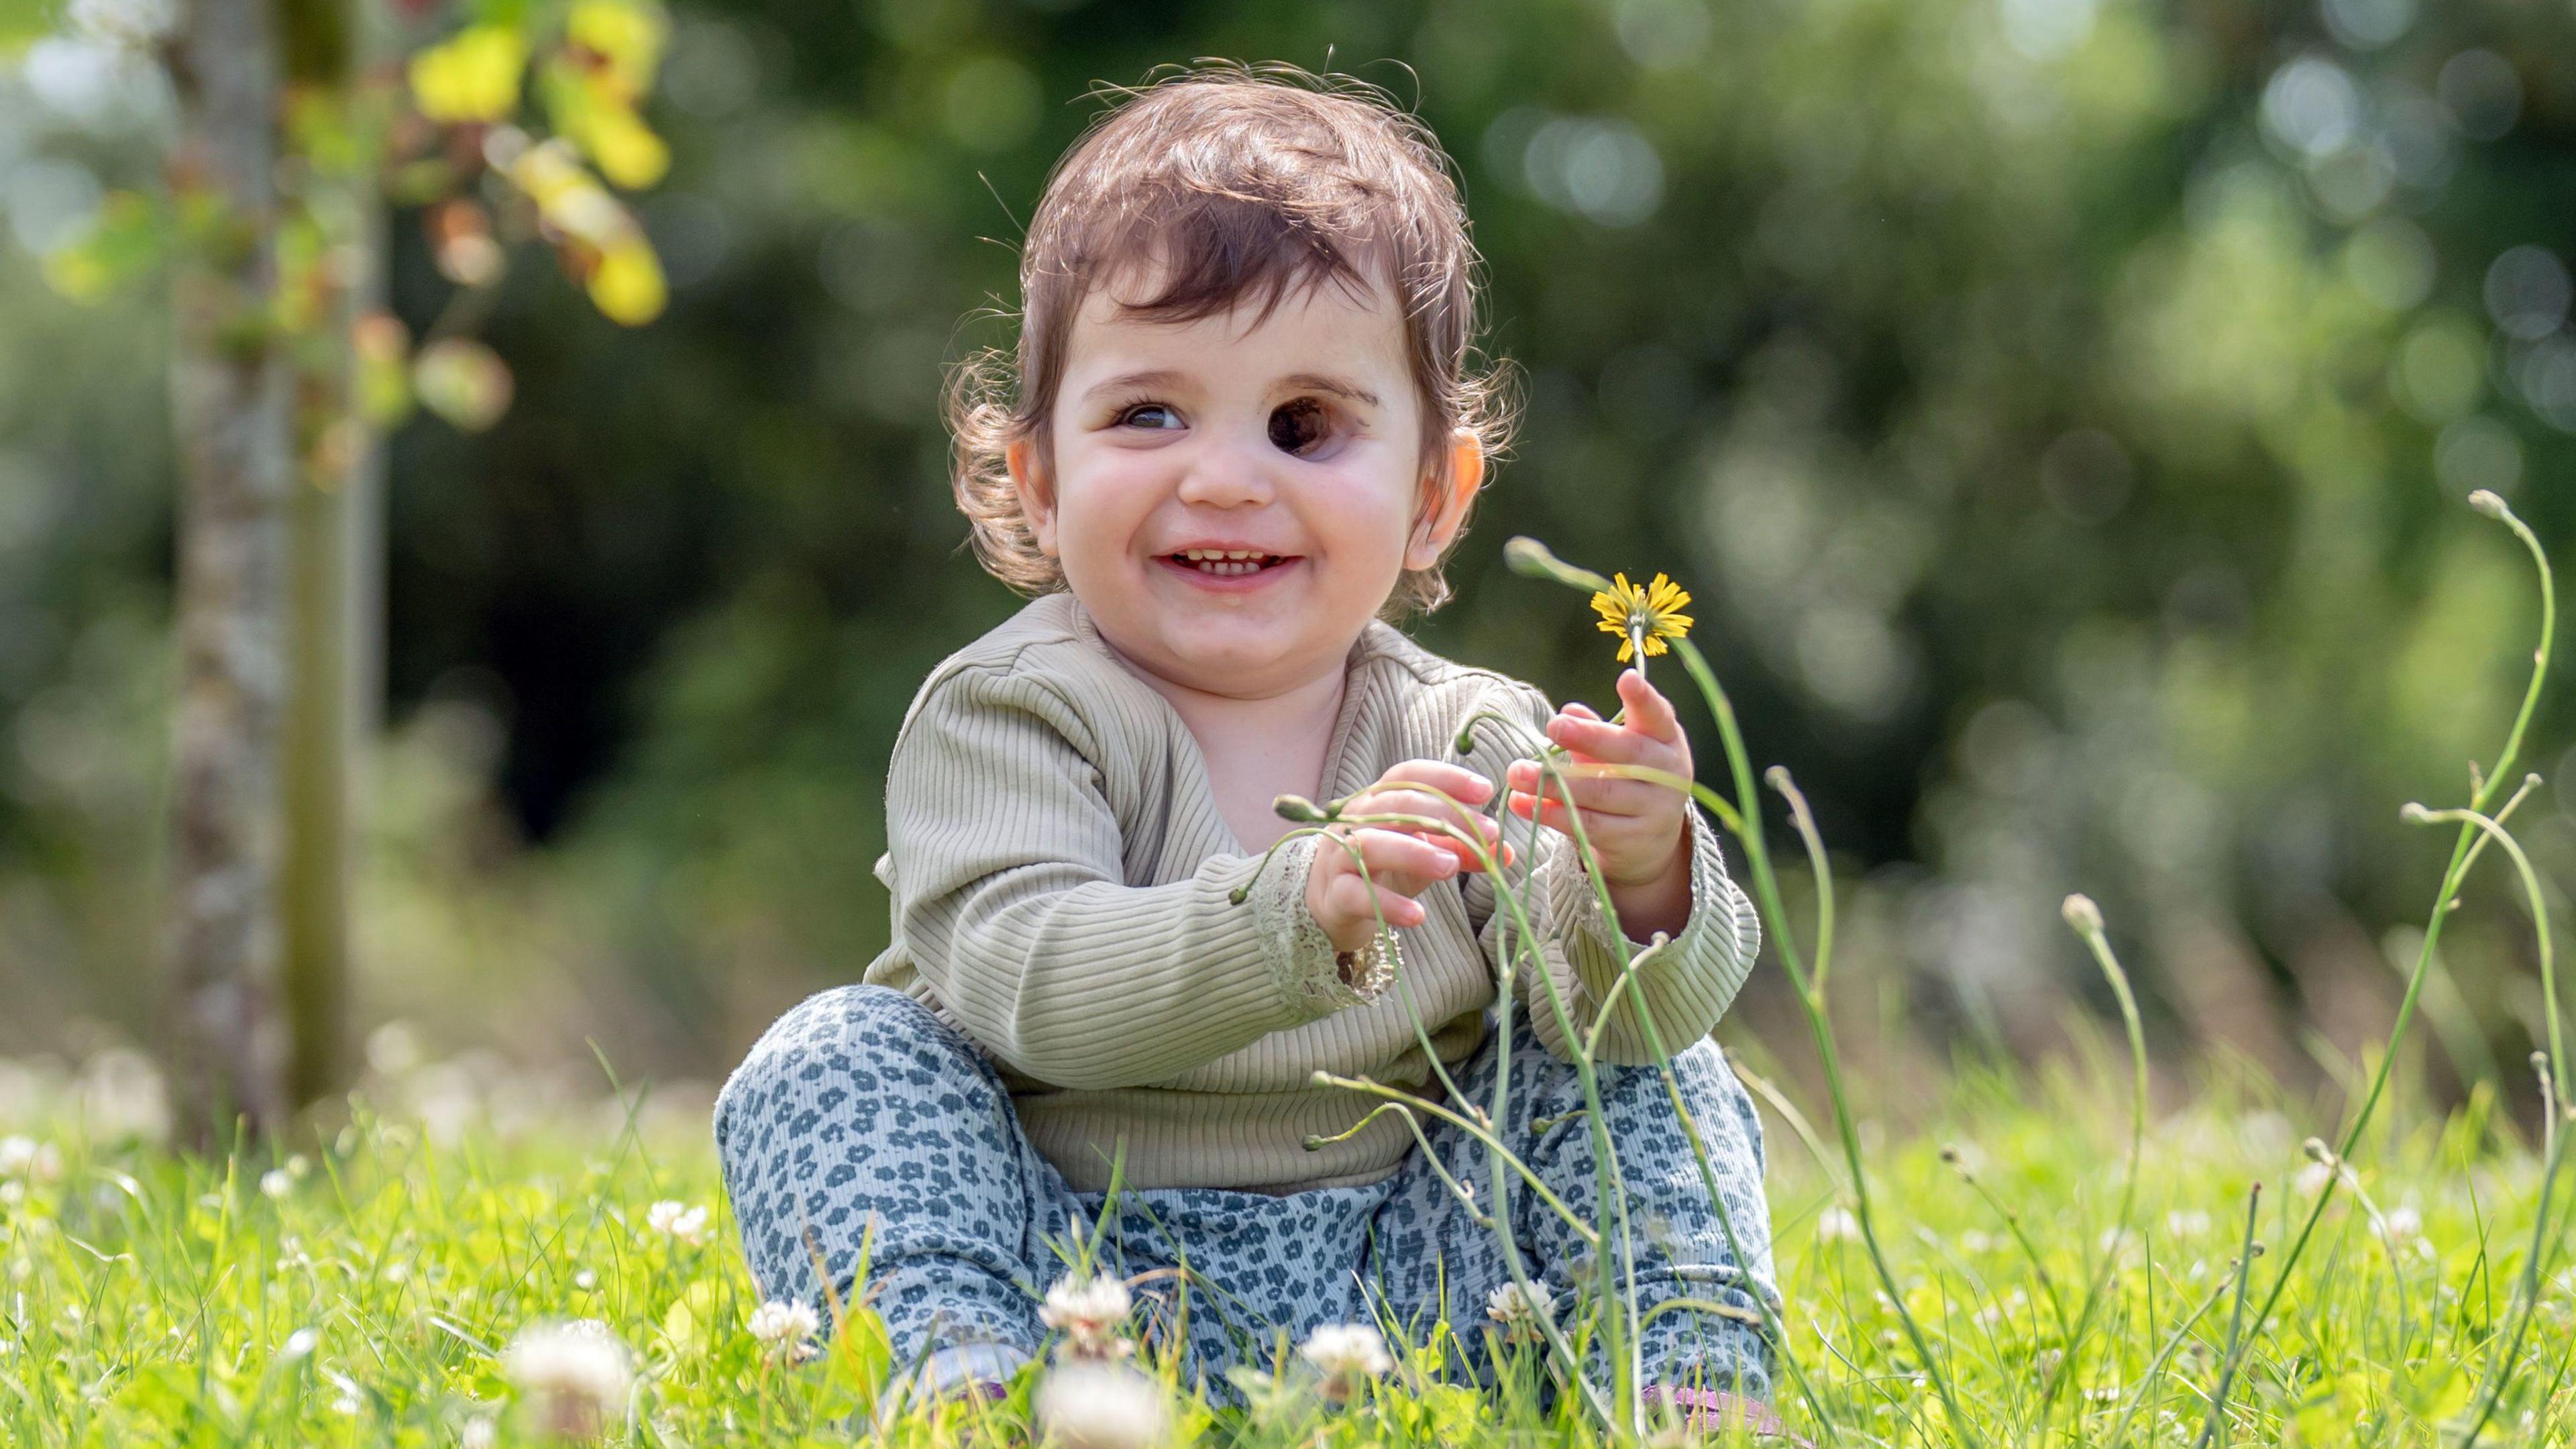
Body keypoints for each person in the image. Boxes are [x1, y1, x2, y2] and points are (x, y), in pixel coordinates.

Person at [714, 61, 1782, 1436]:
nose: (1224, 477)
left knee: (1652, 1083)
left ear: (1433, 496)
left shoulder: (1468, 732)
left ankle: (1687, 1393)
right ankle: (952, 1388)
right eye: (1148, 413)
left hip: (1421, 1282)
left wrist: (1641, 884)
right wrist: (1291, 913)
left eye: (1305, 426)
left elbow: (1622, 1021)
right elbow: (1032, 982)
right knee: (833, 1057)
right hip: (1067, 1274)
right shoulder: (1008, 713)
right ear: (1036, 476)